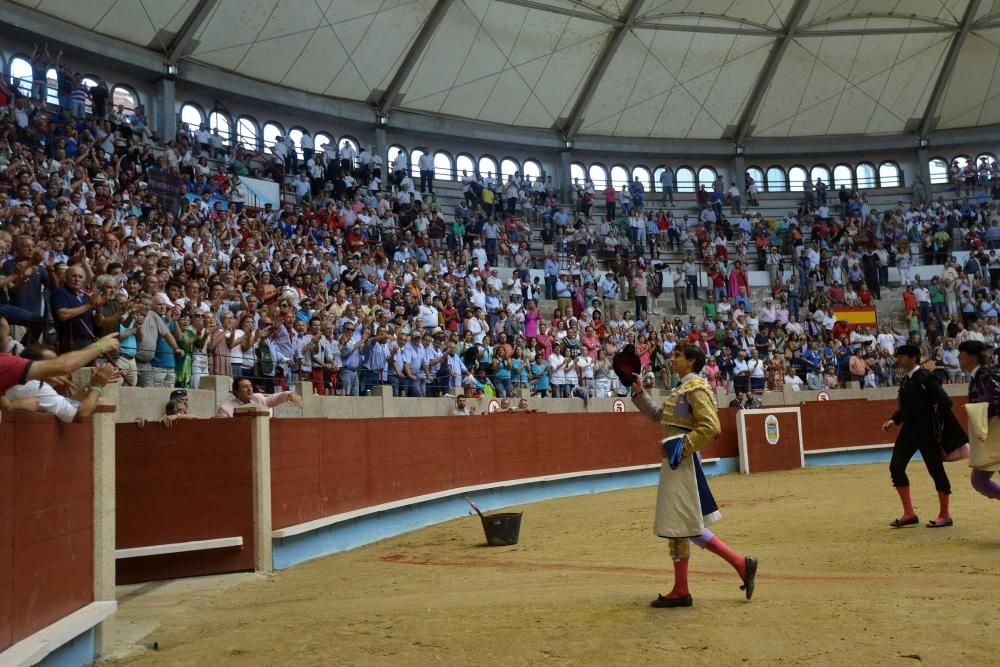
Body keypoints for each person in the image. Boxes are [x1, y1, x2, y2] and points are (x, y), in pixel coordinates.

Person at [630, 343, 758, 608]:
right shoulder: (682, 389)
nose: (672, 358)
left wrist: (680, 448)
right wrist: (639, 392)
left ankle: (682, 589)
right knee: (686, 525)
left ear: (691, 361)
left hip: (682, 464)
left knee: (680, 525)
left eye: (677, 355)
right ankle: (737, 565)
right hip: (678, 464)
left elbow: (711, 427)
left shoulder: (696, 387)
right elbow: (657, 416)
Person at [881, 344, 966, 528]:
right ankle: (909, 513)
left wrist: (937, 424)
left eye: (902, 356)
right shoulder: (907, 380)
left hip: (927, 433)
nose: (898, 359)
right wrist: (894, 420)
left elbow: (945, 402)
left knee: (935, 470)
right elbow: (906, 407)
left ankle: (945, 515)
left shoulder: (927, 378)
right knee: (896, 467)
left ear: (913, 358)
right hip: (909, 432)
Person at [4, 344, 120, 422]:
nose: (56, 367)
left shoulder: (21, 382)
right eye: (51, 363)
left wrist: (91, 385)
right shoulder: (35, 386)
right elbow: (81, 414)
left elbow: (68, 403)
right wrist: (97, 386)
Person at [958, 340, 1000, 501]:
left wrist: (976, 409)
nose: (959, 359)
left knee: (979, 481)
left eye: (961, 356)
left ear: (971, 357)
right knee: (979, 481)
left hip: (996, 436)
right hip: (991, 439)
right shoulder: (979, 376)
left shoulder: (986, 376)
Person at [216, 376, 303, 417]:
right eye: (244, 387)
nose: (249, 389)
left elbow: (275, 398)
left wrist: (289, 394)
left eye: (250, 386)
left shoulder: (258, 398)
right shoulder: (225, 408)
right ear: (236, 391)